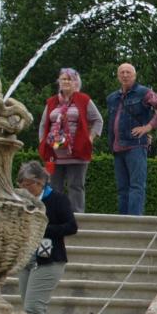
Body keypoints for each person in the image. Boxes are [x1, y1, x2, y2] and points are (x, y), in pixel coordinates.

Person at [14, 161, 77, 314]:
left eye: (27, 184)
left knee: (33, 308)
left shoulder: (57, 199)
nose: (23, 188)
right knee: (33, 311)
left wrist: (43, 229)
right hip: (27, 260)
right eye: (20, 184)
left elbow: (71, 226)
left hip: (50, 261)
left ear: (40, 182)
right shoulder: (21, 201)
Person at [106, 62, 157, 215]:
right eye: (122, 72)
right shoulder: (112, 98)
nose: (125, 74)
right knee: (122, 188)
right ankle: (123, 222)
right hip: (117, 147)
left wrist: (148, 127)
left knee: (136, 186)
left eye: (128, 72)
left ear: (135, 76)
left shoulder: (143, 92)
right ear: (117, 76)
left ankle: (134, 222)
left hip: (135, 145)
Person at [36, 67, 102, 212]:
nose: (65, 81)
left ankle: (77, 217)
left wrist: (90, 138)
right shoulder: (52, 102)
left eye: (69, 79)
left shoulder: (83, 100)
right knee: (54, 187)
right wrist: (43, 142)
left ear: (75, 83)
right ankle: (54, 215)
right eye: (63, 79)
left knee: (76, 186)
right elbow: (43, 124)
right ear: (59, 82)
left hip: (77, 152)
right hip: (55, 153)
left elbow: (98, 120)